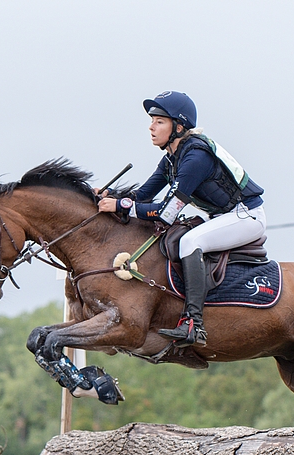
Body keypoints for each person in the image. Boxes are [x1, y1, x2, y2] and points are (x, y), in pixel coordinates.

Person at [98, 91, 266, 348]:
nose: (151, 127)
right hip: (222, 216)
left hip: (246, 216)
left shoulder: (195, 156)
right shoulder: (171, 159)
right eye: (152, 121)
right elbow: (142, 195)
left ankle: (193, 323)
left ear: (179, 126)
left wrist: (120, 206)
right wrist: (111, 196)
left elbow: (167, 212)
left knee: (190, 242)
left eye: (159, 121)